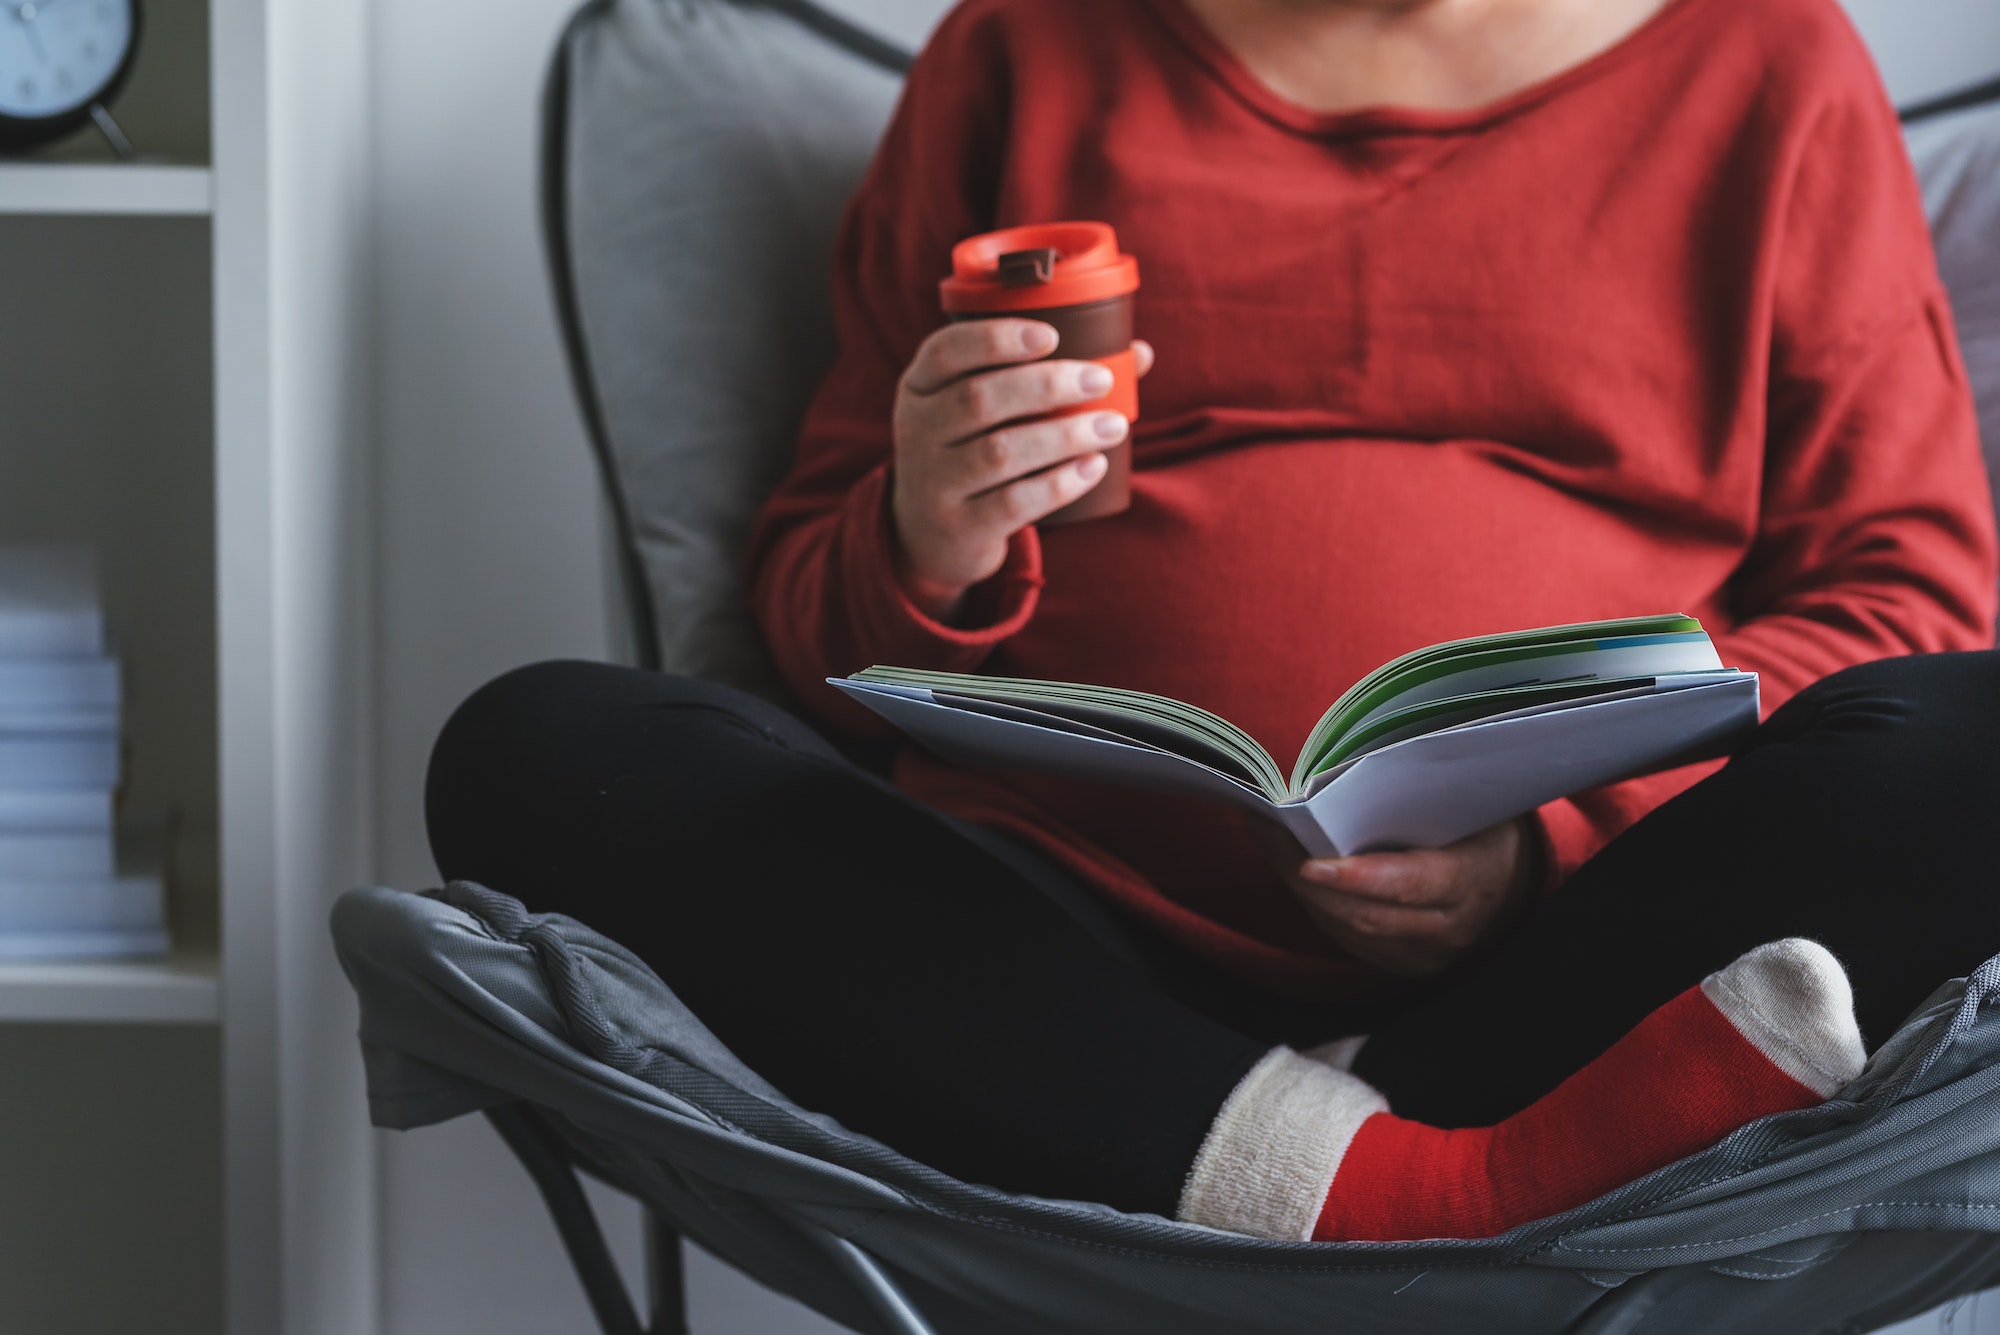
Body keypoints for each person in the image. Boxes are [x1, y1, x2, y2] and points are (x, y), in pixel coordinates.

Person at [425, 0, 2000, 1241]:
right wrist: (928, 529)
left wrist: (1564, 831)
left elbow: (1915, 592)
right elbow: (805, 638)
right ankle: (1419, 1193)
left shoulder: (1768, 61)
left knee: (1974, 739)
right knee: (546, 746)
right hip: (1047, 935)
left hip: (1574, 961)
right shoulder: (1024, 50)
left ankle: (1303, 1163)